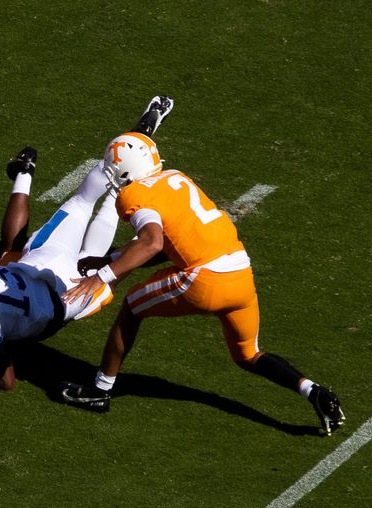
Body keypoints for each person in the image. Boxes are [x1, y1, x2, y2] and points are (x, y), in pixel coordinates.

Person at [58, 132, 346, 436]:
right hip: (239, 272)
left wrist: (101, 277)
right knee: (248, 354)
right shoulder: (174, 177)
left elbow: (152, 242)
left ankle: (99, 390)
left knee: (131, 307)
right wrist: (111, 258)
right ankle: (313, 392)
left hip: (205, 278)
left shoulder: (135, 195)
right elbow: (171, 244)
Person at [0, 97, 175, 390]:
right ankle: (135, 142)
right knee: (86, 197)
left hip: (61, 302)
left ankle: (172, 246)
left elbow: (7, 381)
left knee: (113, 257)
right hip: (39, 263)